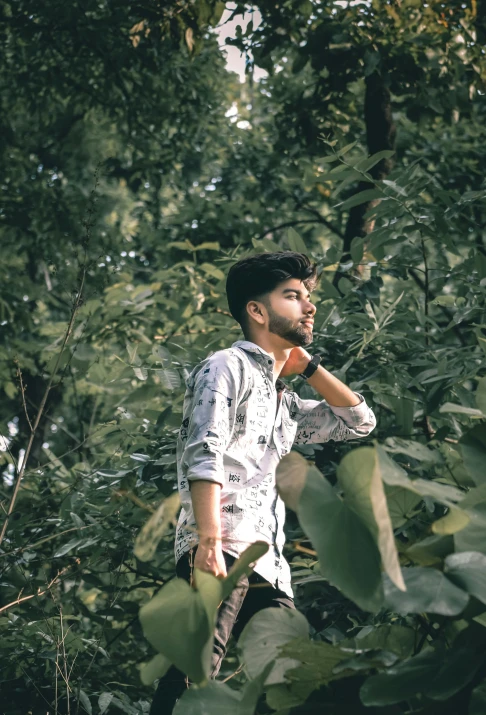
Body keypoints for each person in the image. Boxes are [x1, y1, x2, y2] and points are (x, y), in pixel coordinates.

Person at [150, 251, 376, 713]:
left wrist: (308, 368)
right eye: (293, 296)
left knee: (293, 681)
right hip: (223, 550)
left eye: (307, 295)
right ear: (257, 310)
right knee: (192, 676)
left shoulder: (287, 404)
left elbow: (359, 422)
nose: (309, 306)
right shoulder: (225, 366)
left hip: (270, 569)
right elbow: (204, 451)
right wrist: (207, 543)